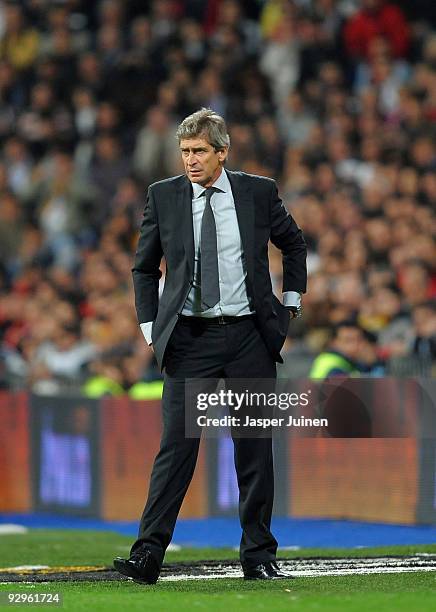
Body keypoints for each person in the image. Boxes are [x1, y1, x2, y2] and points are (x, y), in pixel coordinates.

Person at [113, 108, 307, 583]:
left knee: (254, 449)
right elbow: (144, 268)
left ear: (223, 152)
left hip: (249, 338)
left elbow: (294, 244)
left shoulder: (258, 192)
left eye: (199, 151)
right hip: (190, 340)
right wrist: (149, 328)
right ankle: (148, 556)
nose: (190, 160)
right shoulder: (163, 196)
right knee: (176, 449)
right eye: (184, 152)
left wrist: (290, 305)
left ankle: (258, 555)